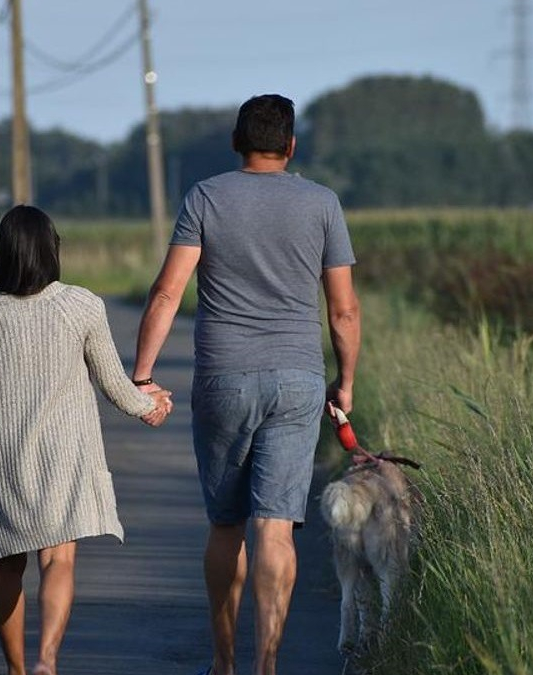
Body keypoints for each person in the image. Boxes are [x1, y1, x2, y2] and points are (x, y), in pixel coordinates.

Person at [132, 94, 361, 675]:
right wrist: (347, 383)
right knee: (275, 526)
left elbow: (166, 292)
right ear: (290, 146)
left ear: (237, 142)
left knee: (226, 524)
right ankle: (268, 665)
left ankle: (225, 659)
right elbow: (344, 312)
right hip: (297, 379)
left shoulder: (205, 197)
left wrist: (142, 376)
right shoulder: (323, 204)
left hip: (222, 377)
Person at [0, 205, 173, 675]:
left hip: (2, 456)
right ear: (52, 251)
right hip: (64, 453)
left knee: (6, 565)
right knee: (58, 558)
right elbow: (115, 384)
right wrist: (149, 404)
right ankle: (47, 662)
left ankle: (15, 669)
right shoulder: (81, 305)